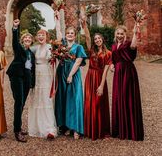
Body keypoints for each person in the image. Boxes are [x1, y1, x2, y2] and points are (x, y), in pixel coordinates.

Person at [54, 11, 87, 139]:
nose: (69, 35)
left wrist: (71, 75)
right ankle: (66, 126)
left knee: (75, 99)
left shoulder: (78, 47)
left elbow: (78, 61)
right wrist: (57, 20)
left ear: (75, 35)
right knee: (63, 99)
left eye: (72, 33)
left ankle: (76, 128)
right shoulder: (62, 44)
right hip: (62, 72)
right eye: (68, 33)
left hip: (73, 74)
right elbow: (58, 33)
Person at [111, 24, 144, 141]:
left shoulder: (128, 43)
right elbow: (113, 60)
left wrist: (135, 31)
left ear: (125, 34)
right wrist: (112, 65)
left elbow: (134, 46)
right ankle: (120, 129)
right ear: (115, 34)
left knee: (127, 98)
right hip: (117, 74)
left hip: (128, 73)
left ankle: (130, 130)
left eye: (122, 34)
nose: (119, 36)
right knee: (118, 99)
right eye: (118, 33)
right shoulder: (114, 45)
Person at [81, 16, 111, 140]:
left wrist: (101, 85)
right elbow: (87, 37)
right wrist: (84, 25)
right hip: (90, 78)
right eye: (95, 39)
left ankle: (99, 130)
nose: (97, 40)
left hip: (99, 78)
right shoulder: (91, 50)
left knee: (99, 103)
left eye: (99, 38)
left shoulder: (108, 53)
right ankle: (89, 129)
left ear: (102, 39)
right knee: (89, 103)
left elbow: (105, 70)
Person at [6, 19, 35, 142]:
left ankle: (18, 126)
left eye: (29, 39)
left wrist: (32, 83)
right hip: (17, 77)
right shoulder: (19, 49)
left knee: (22, 104)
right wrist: (15, 28)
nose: (27, 40)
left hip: (26, 79)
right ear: (22, 40)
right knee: (19, 103)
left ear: (31, 41)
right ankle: (17, 131)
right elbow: (14, 41)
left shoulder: (31, 53)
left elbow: (32, 68)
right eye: (25, 39)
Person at [28, 29, 57, 139]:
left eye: (42, 35)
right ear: (36, 37)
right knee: (37, 99)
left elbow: (52, 60)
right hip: (37, 75)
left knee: (46, 99)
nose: (40, 37)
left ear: (46, 36)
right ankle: (37, 127)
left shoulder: (49, 47)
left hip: (46, 74)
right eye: (39, 35)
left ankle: (50, 128)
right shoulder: (35, 48)